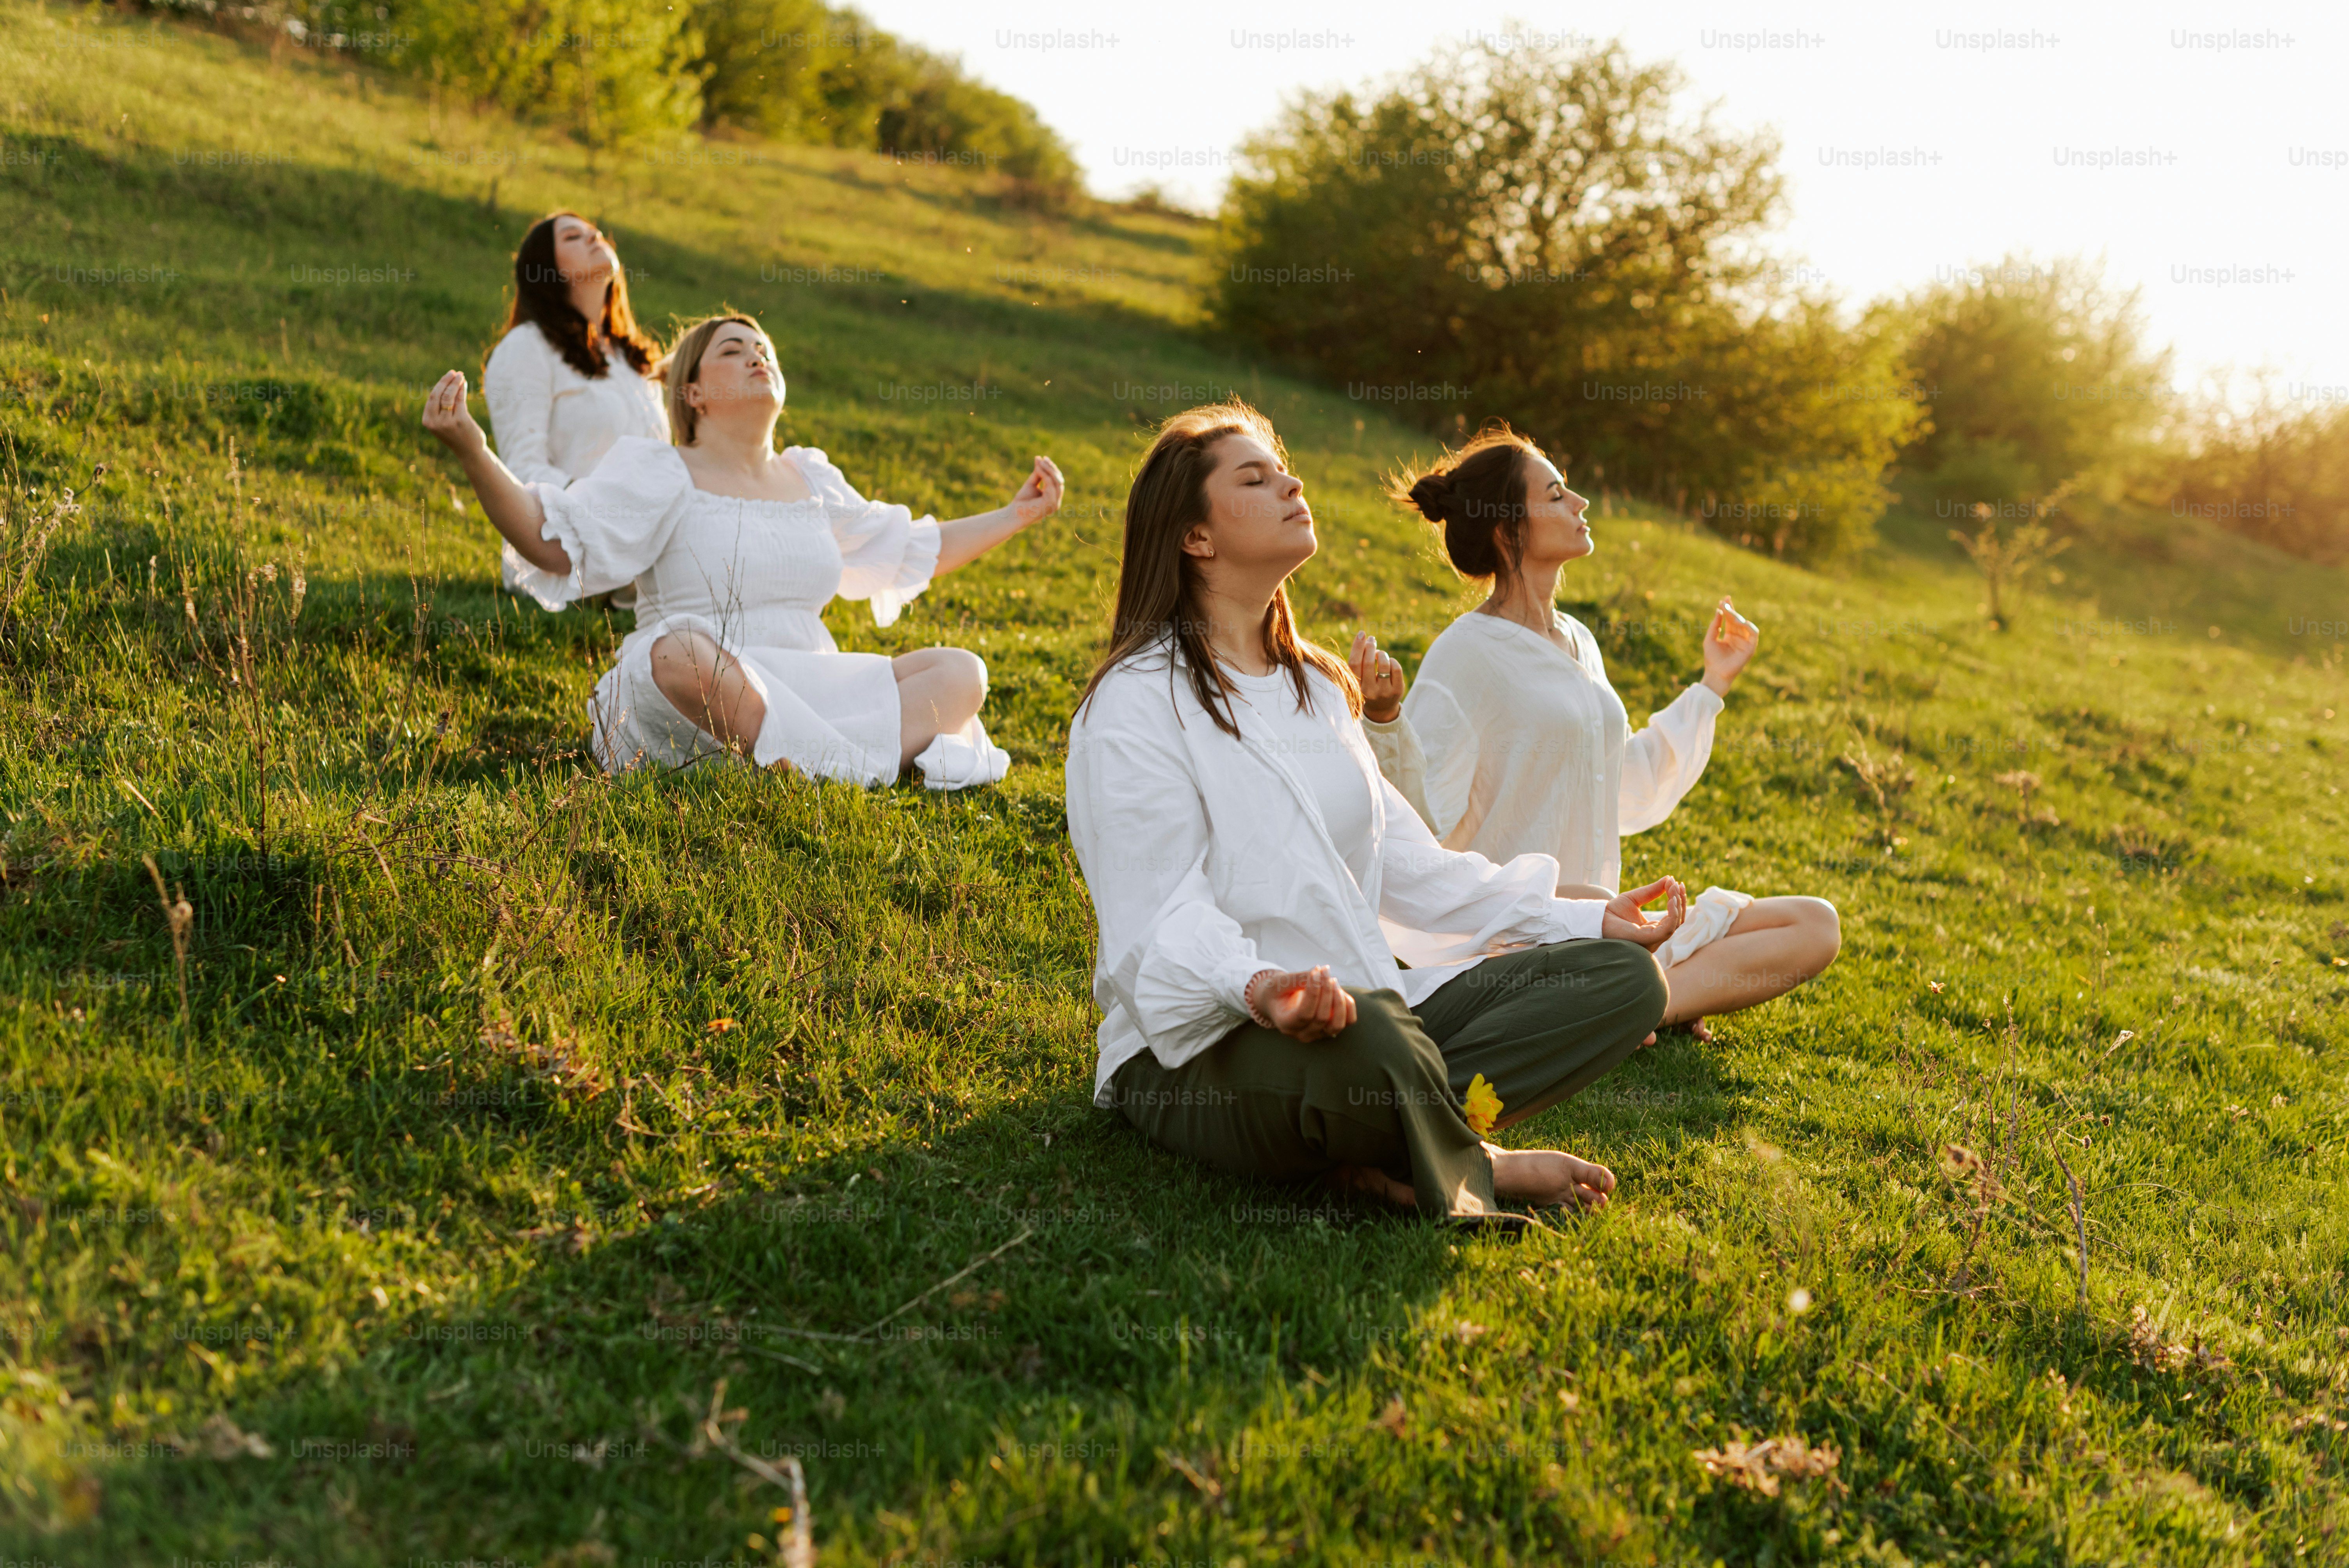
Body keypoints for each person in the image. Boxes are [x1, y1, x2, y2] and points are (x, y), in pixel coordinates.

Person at [1067, 403, 1689, 1224]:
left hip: (1364, 1017)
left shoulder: (1318, 690)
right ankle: (1473, 1160)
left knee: (1620, 982)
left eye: (1283, 466)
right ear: (1195, 538)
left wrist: (1576, 918)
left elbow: (1410, 865)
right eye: (1253, 478)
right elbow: (1153, 921)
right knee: (1376, 1043)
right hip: (1205, 1049)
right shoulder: (1135, 702)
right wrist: (1263, 989)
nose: (1289, 481)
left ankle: (1375, 1148)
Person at [422, 313, 1059, 787]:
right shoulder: (661, 468)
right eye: (734, 351)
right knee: (675, 654)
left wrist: (1016, 513)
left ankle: (813, 767)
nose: (758, 358)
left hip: (812, 686)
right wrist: (474, 450)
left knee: (961, 672)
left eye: (765, 351)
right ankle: (842, 767)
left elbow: (916, 548)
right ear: (693, 393)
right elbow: (549, 543)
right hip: (704, 687)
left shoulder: (810, 478)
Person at [1355, 424, 1839, 1039]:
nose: (1580, 503)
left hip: (1608, 922)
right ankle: (1630, 996)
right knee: (1588, 909)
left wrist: (1712, 685)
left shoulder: (1578, 640)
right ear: (1509, 530)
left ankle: (1644, 1004)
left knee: (1815, 924)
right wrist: (1385, 720)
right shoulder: (1467, 655)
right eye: (1556, 495)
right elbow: (1417, 828)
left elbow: (1625, 784)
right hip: (1523, 931)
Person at [480, 211, 669, 602]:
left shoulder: (633, 360)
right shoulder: (526, 348)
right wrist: (611, 513)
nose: (594, 236)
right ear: (545, 270)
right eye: (572, 236)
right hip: (564, 556)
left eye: (595, 232)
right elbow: (521, 471)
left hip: (646, 545)